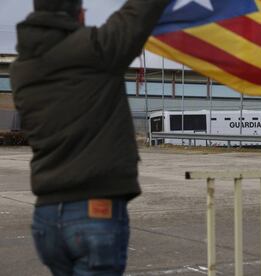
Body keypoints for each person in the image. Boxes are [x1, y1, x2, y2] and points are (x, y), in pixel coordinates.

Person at [10, 0, 169, 275]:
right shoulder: (96, 49)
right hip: (95, 211)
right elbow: (139, 12)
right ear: (79, 14)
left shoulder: (21, 70)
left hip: (46, 217)